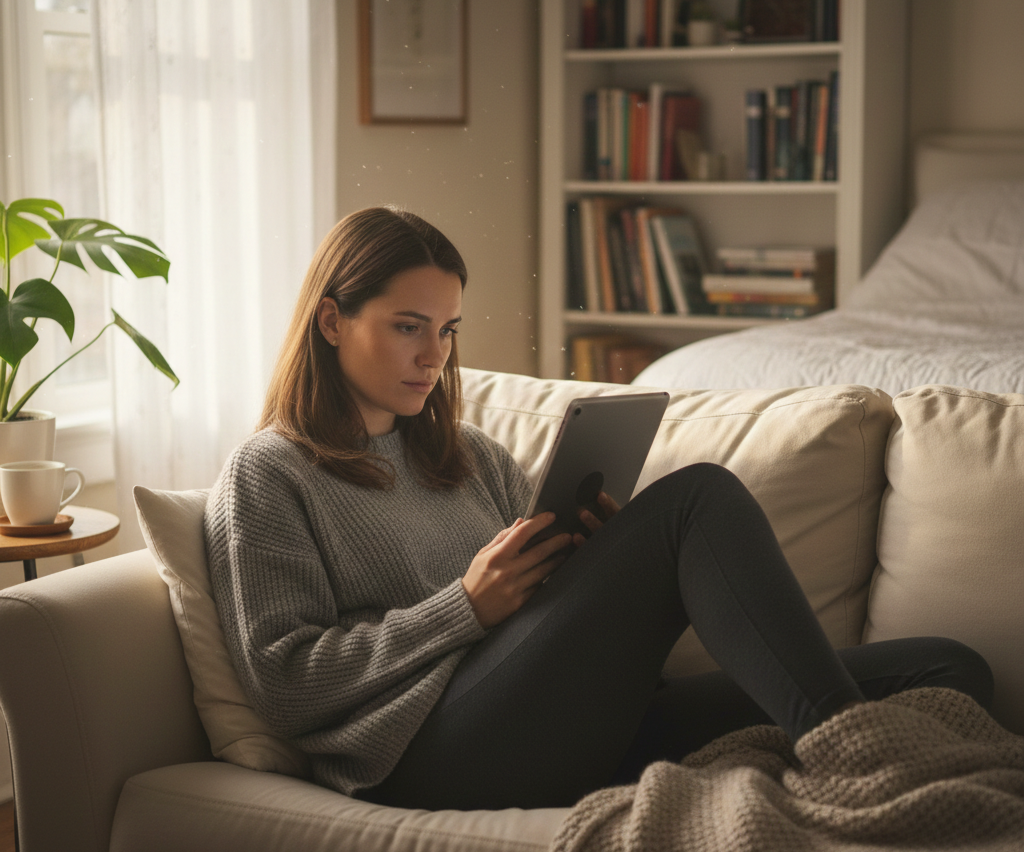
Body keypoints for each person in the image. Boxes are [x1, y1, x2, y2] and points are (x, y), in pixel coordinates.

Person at [204, 206, 993, 811]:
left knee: (949, 670)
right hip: (420, 754)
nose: (433, 356)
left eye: (445, 330)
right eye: (407, 327)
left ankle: (843, 735)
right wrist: (464, 608)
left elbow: (544, 622)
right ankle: (851, 756)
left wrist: (600, 570)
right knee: (695, 501)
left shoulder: (467, 453)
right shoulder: (270, 473)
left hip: (569, 720)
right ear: (333, 321)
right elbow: (285, 680)